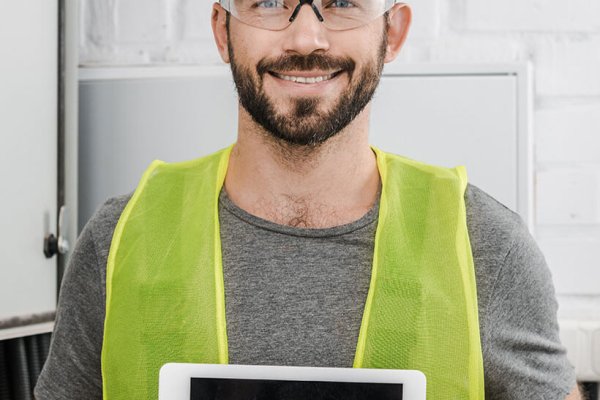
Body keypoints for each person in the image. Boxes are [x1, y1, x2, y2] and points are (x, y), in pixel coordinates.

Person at [35, 0, 582, 399]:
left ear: (392, 31)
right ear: (222, 29)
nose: (305, 40)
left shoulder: (488, 247)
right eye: (269, 2)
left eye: (341, 3)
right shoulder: (119, 240)